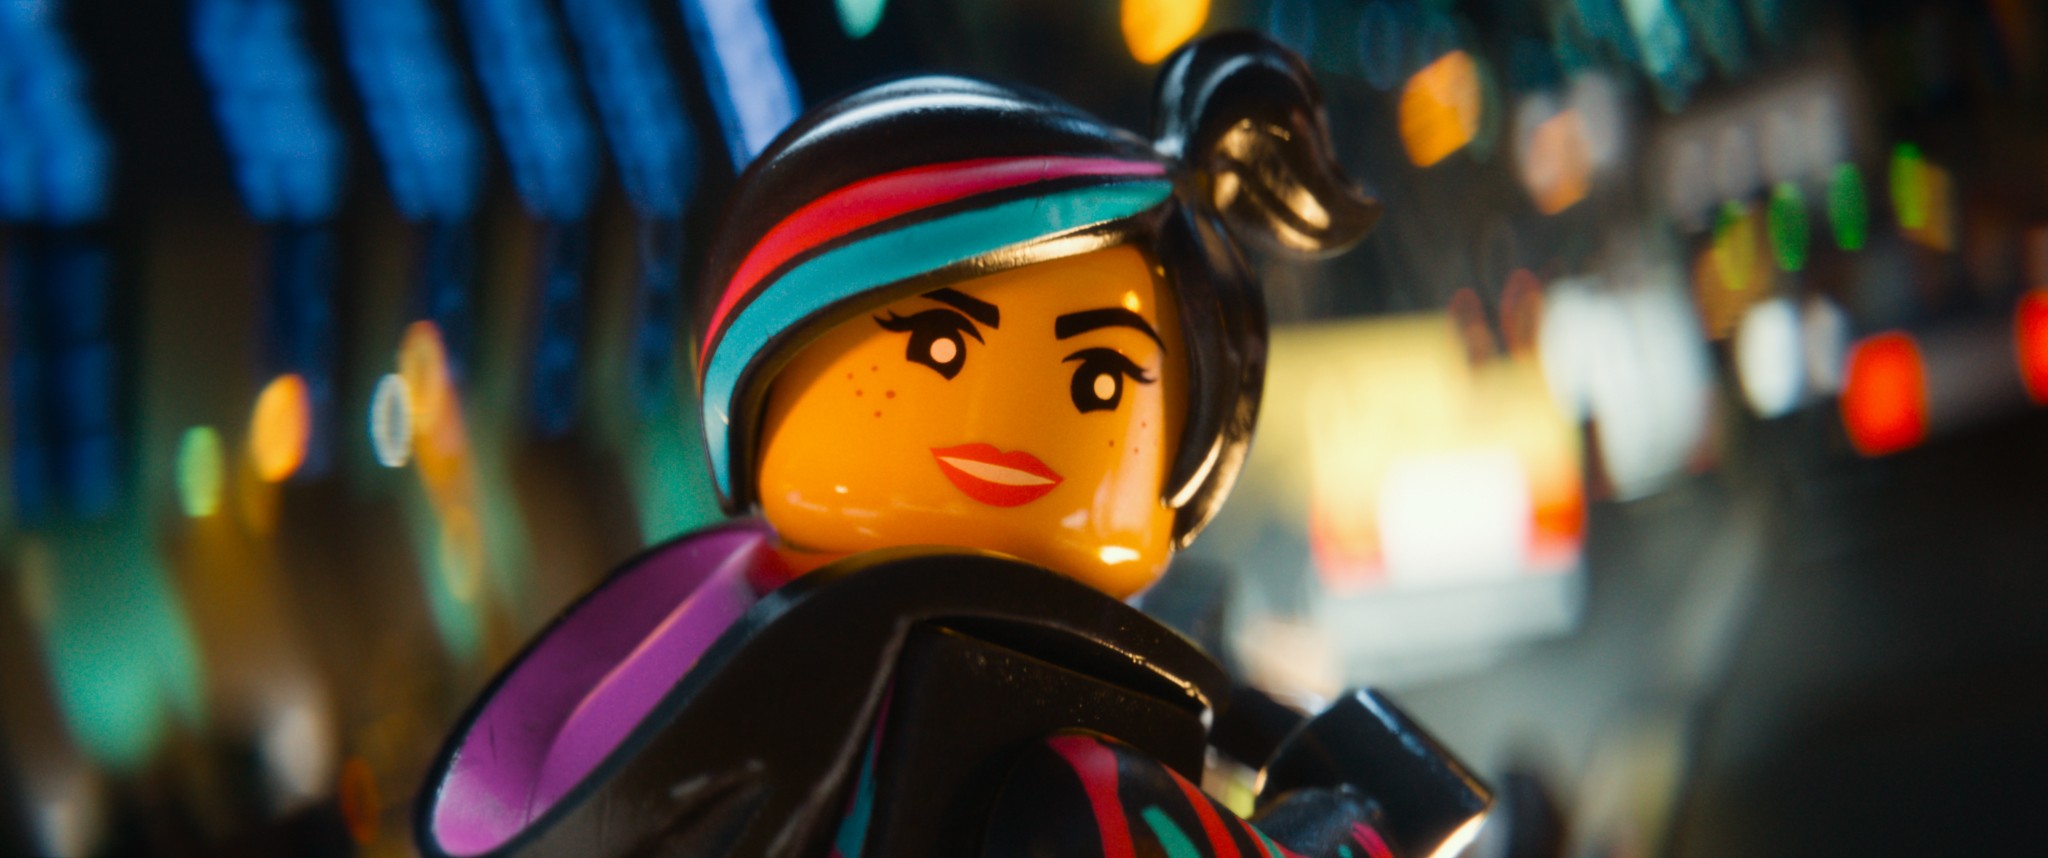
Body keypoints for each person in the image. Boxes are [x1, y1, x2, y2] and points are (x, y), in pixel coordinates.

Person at [417, 32, 1479, 858]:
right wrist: (1361, 821)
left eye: (1099, 381)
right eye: (936, 345)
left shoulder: (686, 647)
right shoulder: (1082, 778)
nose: (1006, 418)